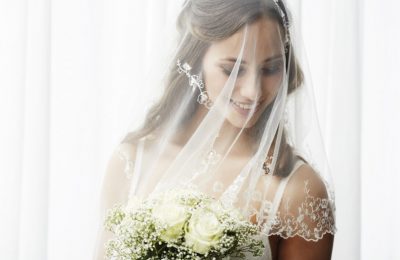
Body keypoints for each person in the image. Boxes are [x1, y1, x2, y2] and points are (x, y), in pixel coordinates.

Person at [94, 0, 337, 259]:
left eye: (271, 68)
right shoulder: (132, 161)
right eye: (232, 70)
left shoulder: (298, 190)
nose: (253, 91)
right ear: (196, 60)